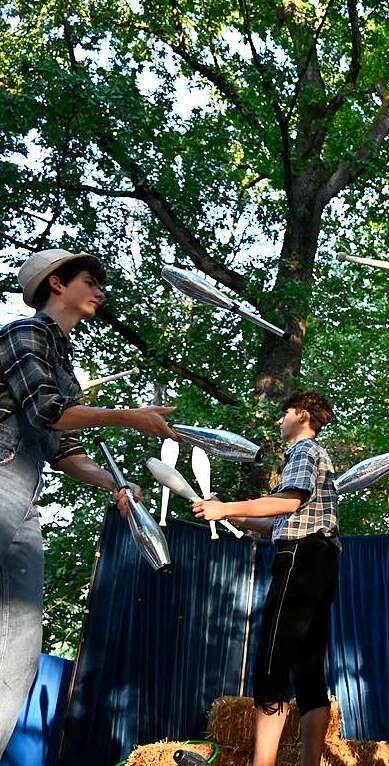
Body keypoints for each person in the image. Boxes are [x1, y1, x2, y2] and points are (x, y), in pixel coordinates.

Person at [0, 248, 179, 750]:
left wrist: (115, 484)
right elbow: (46, 413)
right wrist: (130, 416)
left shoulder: (64, 361)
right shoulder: (24, 334)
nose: (100, 290)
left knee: (20, 653)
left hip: (24, 504)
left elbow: (66, 452)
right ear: (57, 284)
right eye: (89, 280)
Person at [193, 391, 339, 766]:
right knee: (308, 670)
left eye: (284, 413)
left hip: (300, 559)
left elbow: (287, 502)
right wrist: (230, 515)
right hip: (317, 561)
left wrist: (225, 506)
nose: (279, 421)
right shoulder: (313, 456)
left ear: (302, 415)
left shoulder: (305, 451)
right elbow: (277, 521)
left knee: (270, 664)